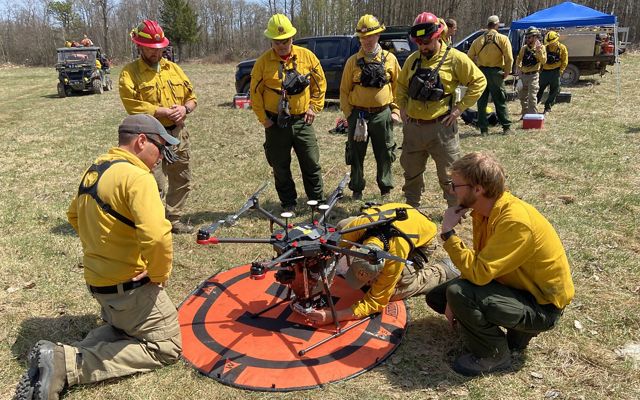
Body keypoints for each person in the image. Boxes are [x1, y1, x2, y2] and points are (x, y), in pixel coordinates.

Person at [14, 114, 182, 400]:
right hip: (129, 287)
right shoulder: (138, 176)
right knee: (166, 347)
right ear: (141, 141)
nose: (161, 159)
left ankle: (55, 356)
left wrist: (105, 248)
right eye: (160, 148)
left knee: (122, 328)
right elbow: (156, 237)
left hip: (99, 282)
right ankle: (65, 364)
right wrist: (158, 274)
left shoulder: (97, 168)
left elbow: (73, 215)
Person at [425, 152, 575, 376]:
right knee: (439, 296)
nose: (451, 190)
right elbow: (483, 263)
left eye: (455, 185)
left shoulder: (514, 221)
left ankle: (494, 354)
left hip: (542, 307)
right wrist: (451, 300)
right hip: (515, 288)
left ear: (477, 189)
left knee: (459, 293)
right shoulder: (484, 211)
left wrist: (448, 234)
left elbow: (479, 273)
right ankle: (512, 333)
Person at [306, 202, 459, 324]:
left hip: (421, 237)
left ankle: (441, 271)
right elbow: (332, 248)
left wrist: (334, 316)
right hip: (400, 218)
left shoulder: (395, 256)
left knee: (394, 290)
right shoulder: (357, 227)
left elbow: (375, 302)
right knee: (341, 227)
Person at [396, 12, 486, 208]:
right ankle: (412, 208)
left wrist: (459, 109)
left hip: (442, 128)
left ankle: (455, 210)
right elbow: (401, 85)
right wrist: (402, 107)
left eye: (427, 42)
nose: (423, 47)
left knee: (451, 174)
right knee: (411, 172)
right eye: (419, 43)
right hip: (413, 128)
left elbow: (479, 81)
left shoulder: (455, 59)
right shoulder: (412, 60)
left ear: (438, 36)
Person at [119, 19, 198, 234]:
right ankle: (150, 223)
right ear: (139, 46)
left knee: (181, 177)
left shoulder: (173, 69)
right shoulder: (130, 73)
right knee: (152, 183)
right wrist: (160, 111)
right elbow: (131, 105)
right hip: (148, 138)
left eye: (160, 48)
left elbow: (192, 98)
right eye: (151, 49)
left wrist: (185, 109)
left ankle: (174, 219)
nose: (156, 53)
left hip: (177, 133)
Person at [250, 14, 327, 211]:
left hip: (302, 120)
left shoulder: (307, 56)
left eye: (286, 41)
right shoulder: (263, 62)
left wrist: (313, 107)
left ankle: (317, 202)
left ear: (292, 38)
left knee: (311, 162)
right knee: (280, 166)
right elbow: (255, 94)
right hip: (275, 123)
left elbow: (320, 84)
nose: (282, 45)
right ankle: (288, 203)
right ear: (271, 41)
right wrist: (264, 119)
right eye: (278, 42)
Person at [340, 14, 402, 201]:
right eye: (363, 37)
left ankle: (385, 188)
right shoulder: (352, 62)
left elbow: (398, 88)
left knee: (384, 152)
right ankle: (357, 188)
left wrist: (396, 111)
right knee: (356, 154)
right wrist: (349, 114)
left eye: (371, 36)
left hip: (382, 114)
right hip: (357, 115)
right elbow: (344, 90)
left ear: (378, 36)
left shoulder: (390, 59)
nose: (367, 41)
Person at [467, 15, 514, 136]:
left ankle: (483, 129)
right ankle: (506, 127)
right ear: (497, 25)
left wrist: (476, 69)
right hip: (496, 73)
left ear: (488, 25)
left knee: (481, 102)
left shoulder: (478, 40)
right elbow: (509, 58)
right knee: (500, 100)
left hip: (481, 73)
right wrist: (507, 72)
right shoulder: (502, 38)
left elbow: (469, 57)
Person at [516, 27, 546, 117]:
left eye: (529, 37)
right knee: (522, 97)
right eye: (527, 37)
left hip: (533, 76)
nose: (527, 39)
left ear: (535, 37)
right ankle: (525, 115)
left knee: (532, 97)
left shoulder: (541, 48)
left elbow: (544, 61)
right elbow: (518, 60)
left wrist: (538, 51)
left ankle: (532, 116)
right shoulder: (524, 48)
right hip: (523, 76)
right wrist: (519, 69)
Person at [537, 30, 568, 114]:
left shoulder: (562, 48)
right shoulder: (545, 47)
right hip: (544, 72)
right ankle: (534, 105)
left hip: (555, 72)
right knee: (539, 89)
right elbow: (540, 60)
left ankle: (548, 107)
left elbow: (565, 61)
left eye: (553, 42)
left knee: (554, 90)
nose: (551, 43)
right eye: (550, 42)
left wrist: (560, 72)